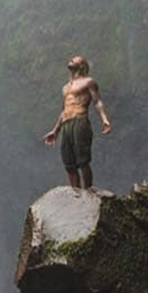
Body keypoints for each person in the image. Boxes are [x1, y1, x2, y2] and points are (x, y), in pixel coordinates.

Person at [43, 54, 111, 192]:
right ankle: (76, 195)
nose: (71, 59)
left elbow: (97, 101)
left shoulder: (88, 82)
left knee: (83, 161)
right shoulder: (65, 88)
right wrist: (55, 131)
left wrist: (104, 118)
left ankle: (88, 191)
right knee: (69, 164)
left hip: (80, 121)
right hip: (66, 125)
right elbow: (64, 110)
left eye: (75, 59)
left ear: (82, 65)